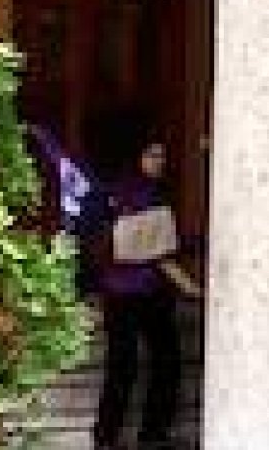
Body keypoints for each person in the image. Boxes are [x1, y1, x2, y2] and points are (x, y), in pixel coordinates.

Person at [91, 134, 202, 450]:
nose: (160, 162)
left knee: (128, 366)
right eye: (153, 155)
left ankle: (107, 436)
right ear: (136, 157)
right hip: (136, 292)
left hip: (131, 292)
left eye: (162, 156)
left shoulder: (116, 192)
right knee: (157, 364)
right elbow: (161, 253)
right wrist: (190, 288)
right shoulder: (142, 196)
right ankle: (150, 434)